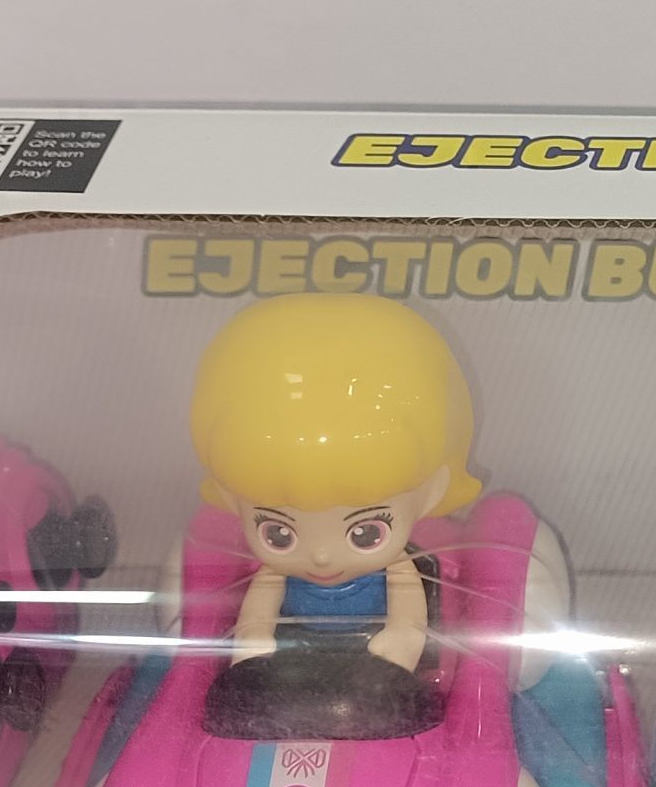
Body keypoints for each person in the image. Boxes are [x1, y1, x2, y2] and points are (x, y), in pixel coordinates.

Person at [190, 295, 482, 739]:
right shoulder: (273, 574)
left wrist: (399, 643)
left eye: (364, 533)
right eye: (279, 533)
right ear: (232, 497)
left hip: (375, 665)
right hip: (294, 660)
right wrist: (254, 641)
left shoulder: (401, 568)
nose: (322, 556)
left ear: (432, 491)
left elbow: (407, 623)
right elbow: (255, 621)